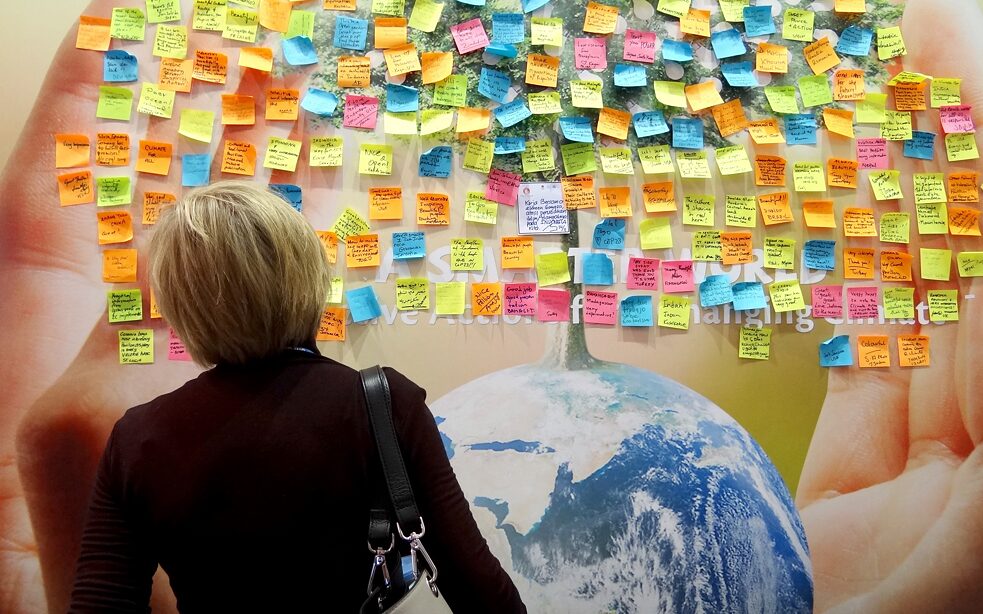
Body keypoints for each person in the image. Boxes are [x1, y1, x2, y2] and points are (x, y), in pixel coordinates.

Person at [66, 181, 526, 613]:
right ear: (306, 276)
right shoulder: (384, 404)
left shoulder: (138, 437)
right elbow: (482, 593)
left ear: (181, 304)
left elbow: (101, 604)